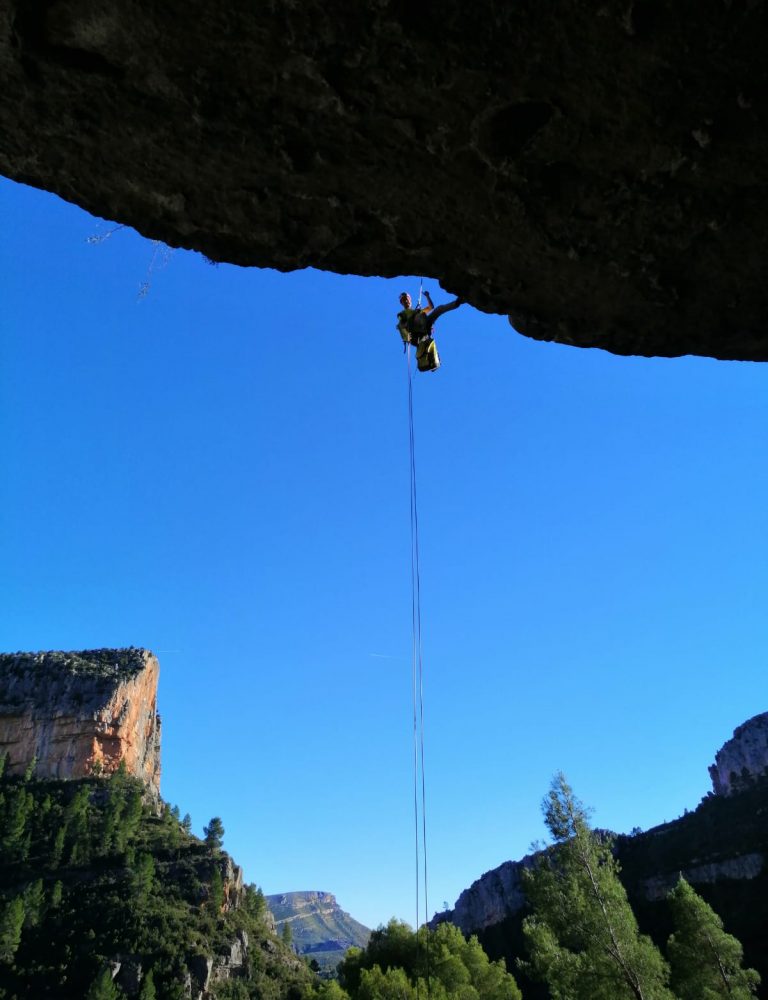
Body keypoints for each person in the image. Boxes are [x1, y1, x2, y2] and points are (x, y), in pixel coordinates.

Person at [396, 290, 463, 372]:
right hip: (415, 332)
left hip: (424, 327)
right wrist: (407, 337)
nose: (406, 301)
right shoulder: (402, 314)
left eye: (406, 299)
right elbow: (401, 325)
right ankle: (429, 360)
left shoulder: (417, 311)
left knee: (439, 309)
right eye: (403, 300)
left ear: (410, 299)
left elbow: (431, 307)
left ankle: (457, 302)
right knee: (418, 315)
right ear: (401, 303)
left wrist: (427, 296)